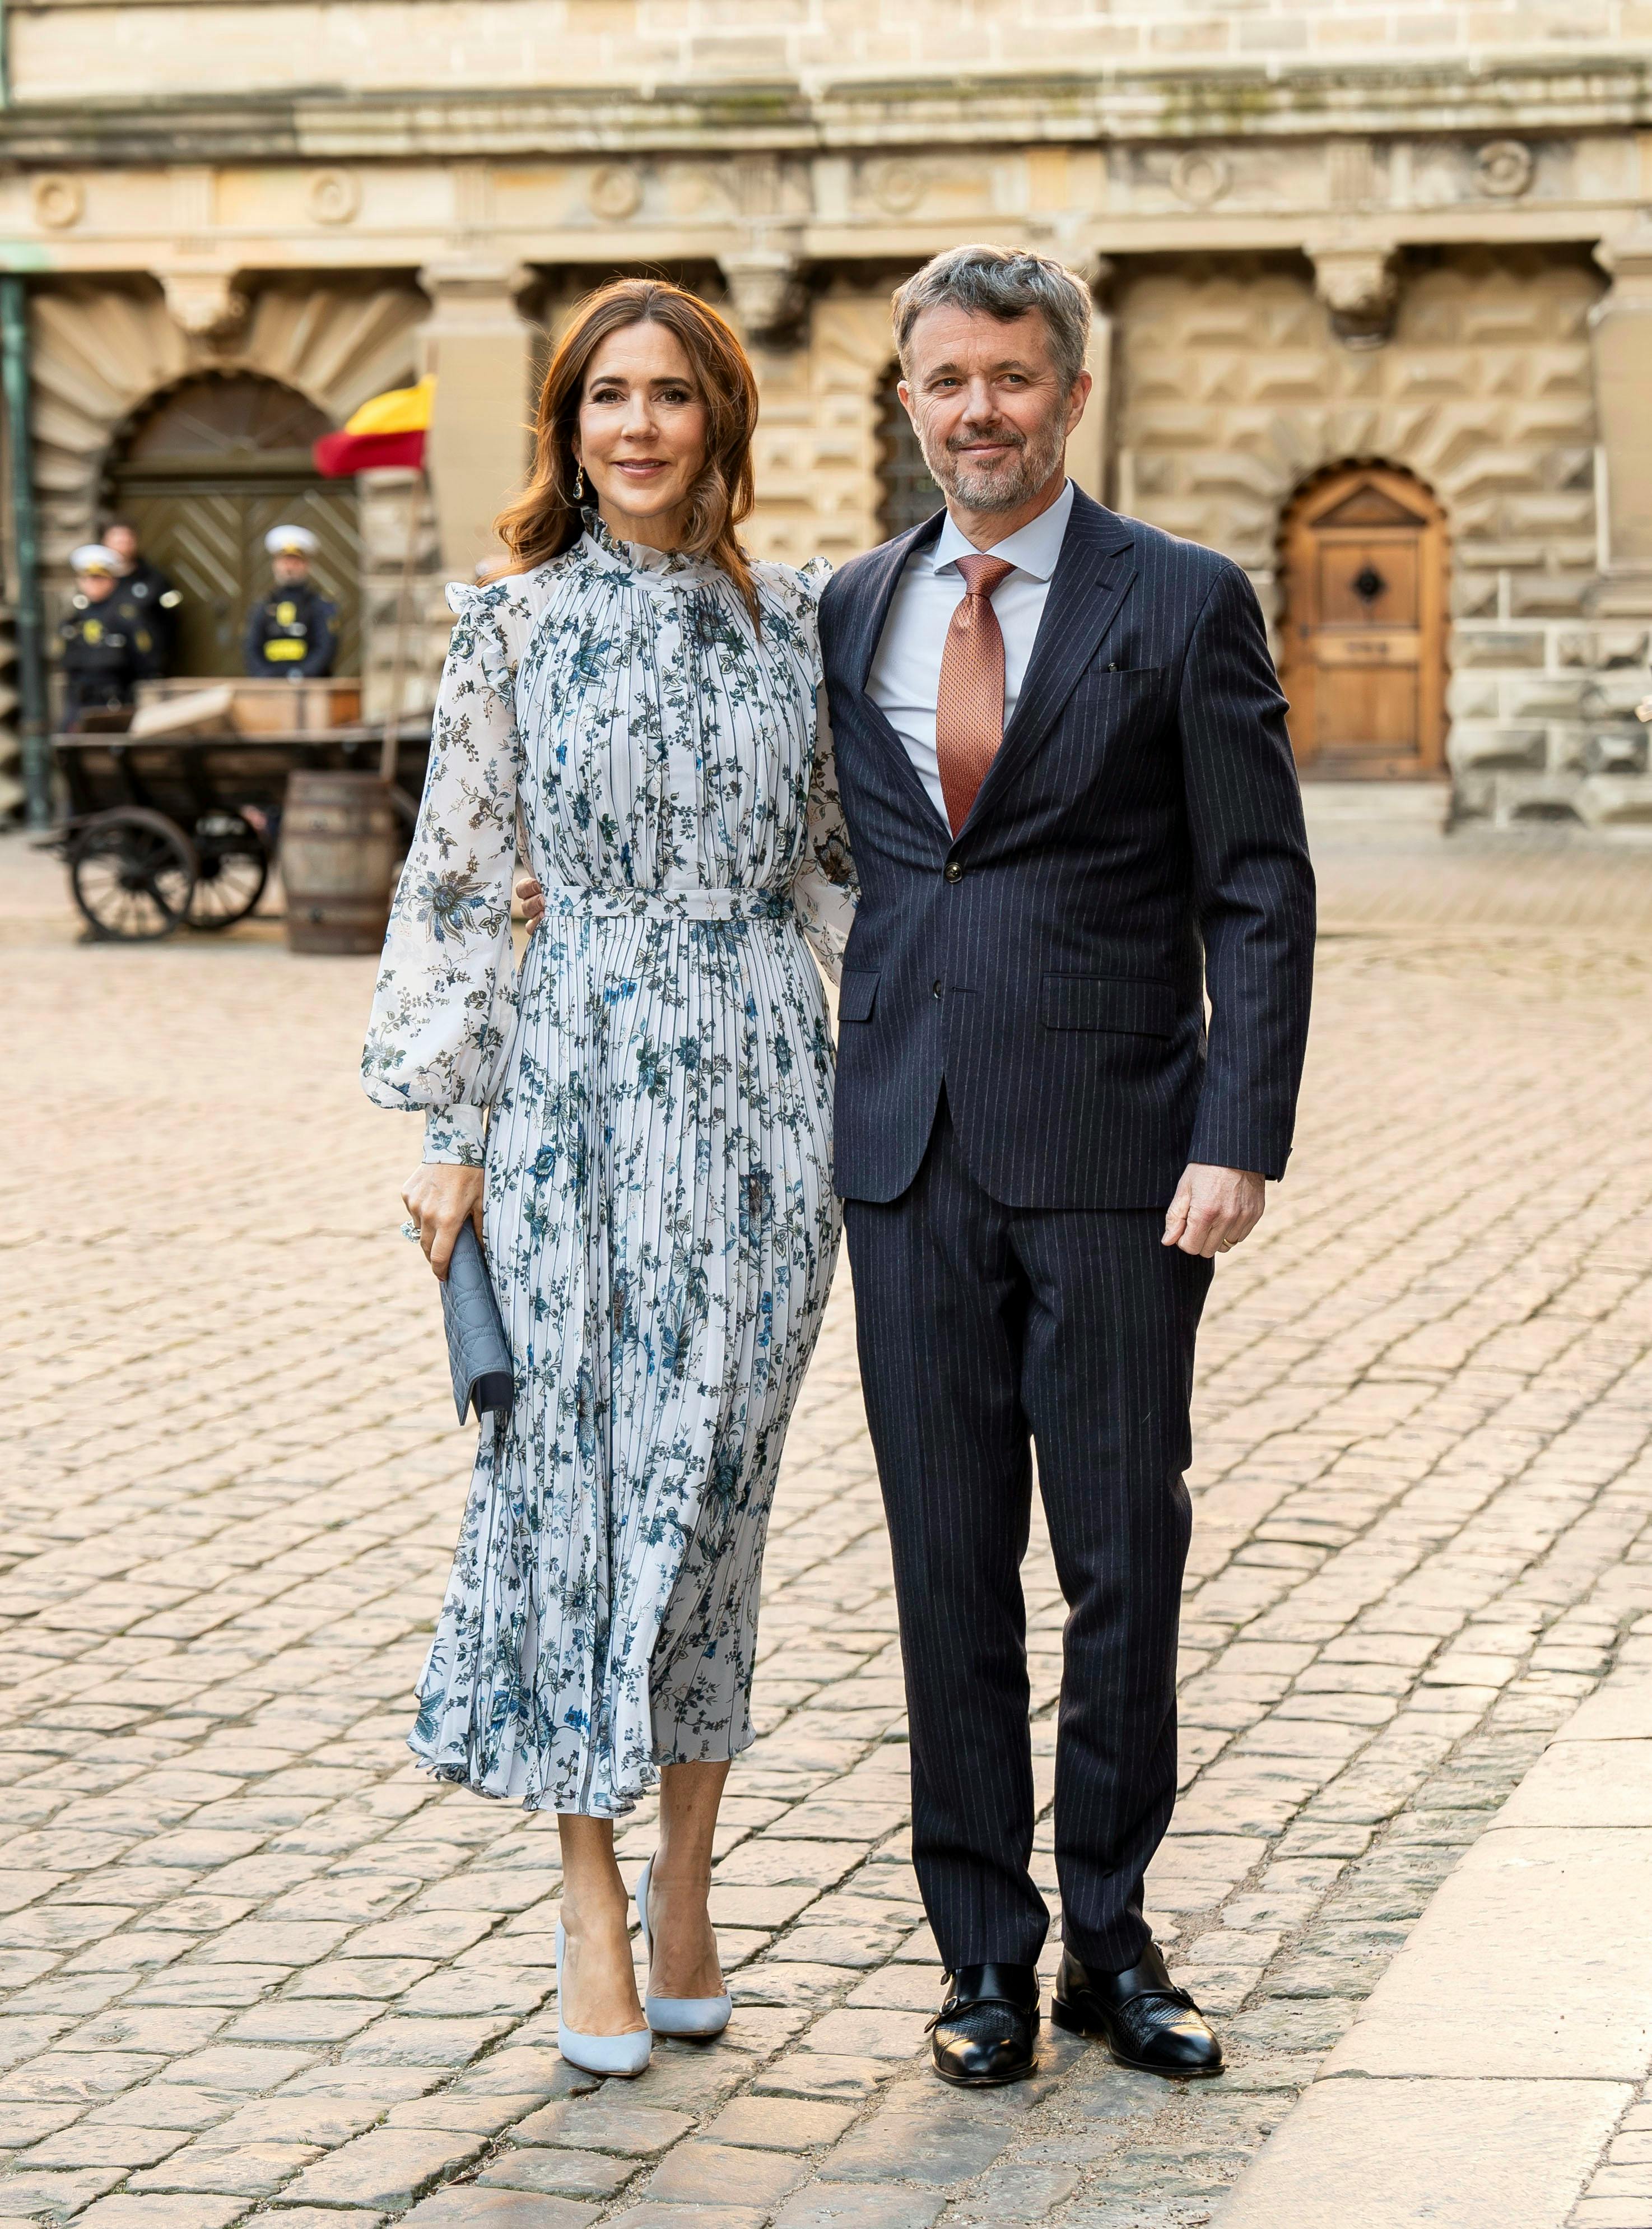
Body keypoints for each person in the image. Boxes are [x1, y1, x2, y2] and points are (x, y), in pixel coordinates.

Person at [815, 247, 1315, 2088]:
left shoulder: (1177, 598)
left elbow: (1255, 885)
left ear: (1070, 394)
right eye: (945, 379)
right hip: (905, 1158)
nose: (979, 410)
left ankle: (1107, 1930)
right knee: (944, 1565)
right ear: (906, 398)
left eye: (1010, 378)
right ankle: (979, 1951)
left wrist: (1234, 1132)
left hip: (1116, 1158)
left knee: (1119, 1559)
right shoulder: (849, 603)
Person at [360, 278, 855, 2079]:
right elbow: (455, 880)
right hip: (570, 1088)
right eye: (605, 398)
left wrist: (948, 1060)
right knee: (568, 1485)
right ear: (567, 431)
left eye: (669, 395)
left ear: (721, 420)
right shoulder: (508, 629)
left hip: (763, 1102)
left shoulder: (800, 623)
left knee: (716, 1490)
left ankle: (687, 1875)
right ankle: (585, 1898)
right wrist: (449, 1130)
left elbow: (839, 875)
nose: (637, 426)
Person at [59, 543, 159, 728]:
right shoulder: (73, 618)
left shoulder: (126, 616)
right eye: (88, 578)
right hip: (79, 703)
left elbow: (145, 663)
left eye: (99, 578)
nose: (93, 584)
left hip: (116, 702)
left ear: (112, 581)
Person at [244, 524, 336, 678]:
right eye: (285, 562)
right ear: (275, 565)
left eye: (296, 562)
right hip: (269, 686)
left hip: (311, 685)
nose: (290, 568)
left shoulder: (320, 605)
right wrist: (266, 676)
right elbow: (251, 648)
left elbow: (325, 648)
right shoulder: (263, 606)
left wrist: (301, 675)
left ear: (306, 565)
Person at [103, 521, 183, 672]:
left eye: (126, 541)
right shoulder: (96, 581)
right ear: (105, 543)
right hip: (105, 666)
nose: (122, 547)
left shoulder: (153, 579)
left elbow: (170, 620)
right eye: (117, 542)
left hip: (144, 664)